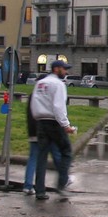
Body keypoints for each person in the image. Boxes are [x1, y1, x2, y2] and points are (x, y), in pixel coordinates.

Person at [30, 59, 77, 200]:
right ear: (57, 69)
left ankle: (39, 190)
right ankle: (61, 184)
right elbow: (58, 106)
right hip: (54, 123)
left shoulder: (40, 83)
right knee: (67, 152)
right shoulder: (58, 84)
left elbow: (34, 103)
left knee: (42, 156)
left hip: (41, 122)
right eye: (64, 69)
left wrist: (38, 117)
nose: (66, 72)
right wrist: (66, 125)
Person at [22, 98, 39, 195]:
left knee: (33, 158)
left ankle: (28, 185)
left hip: (32, 130)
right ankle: (64, 179)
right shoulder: (42, 93)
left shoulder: (33, 95)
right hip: (42, 131)